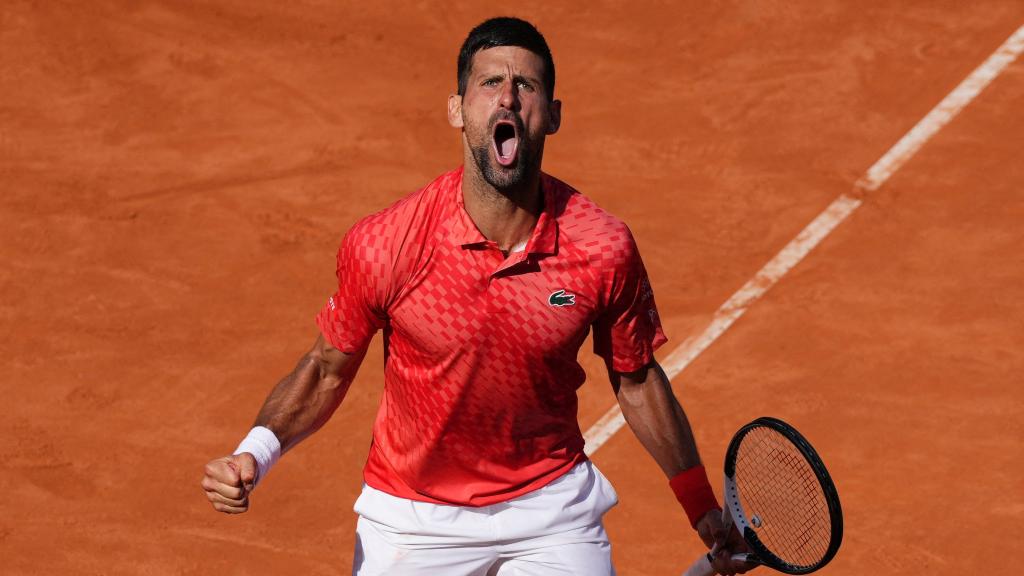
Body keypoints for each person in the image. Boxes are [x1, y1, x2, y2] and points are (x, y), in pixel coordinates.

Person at [201, 16, 750, 576]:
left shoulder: (601, 247)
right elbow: (324, 369)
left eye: (526, 86)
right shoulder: (389, 243)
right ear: (458, 111)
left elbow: (636, 380)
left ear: (553, 116)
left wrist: (703, 508)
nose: (507, 98)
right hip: (413, 517)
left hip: (550, 507)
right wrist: (255, 453)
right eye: (489, 84)